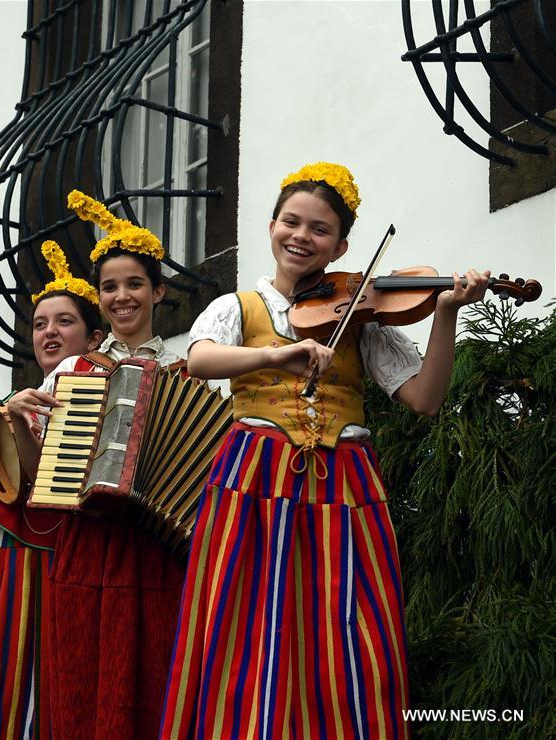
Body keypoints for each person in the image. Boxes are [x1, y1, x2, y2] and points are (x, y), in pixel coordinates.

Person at [159, 162, 490, 739]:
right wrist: (271, 356)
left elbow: (426, 398)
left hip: (344, 479)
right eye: (291, 222)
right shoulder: (239, 306)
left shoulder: (360, 317)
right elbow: (202, 360)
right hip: (254, 477)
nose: (301, 237)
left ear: (340, 245)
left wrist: (446, 313)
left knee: (348, 623)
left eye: (319, 229)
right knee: (245, 619)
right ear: (270, 226)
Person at [29, 190, 188, 739]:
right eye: (110, 287)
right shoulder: (76, 366)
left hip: (157, 546)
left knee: (157, 671)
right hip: (88, 540)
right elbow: (35, 459)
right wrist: (17, 414)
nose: (122, 297)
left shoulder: (190, 365)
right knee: (80, 673)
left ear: (158, 291)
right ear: (98, 298)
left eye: (135, 284)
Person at [0, 240, 104, 739]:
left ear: (94, 336)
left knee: (49, 676)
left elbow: (53, 484)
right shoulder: (18, 397)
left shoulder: (103, 385)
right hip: (10, 551)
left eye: (64, 322)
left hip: (63, 551)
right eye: (39, 324)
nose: (49, 332)